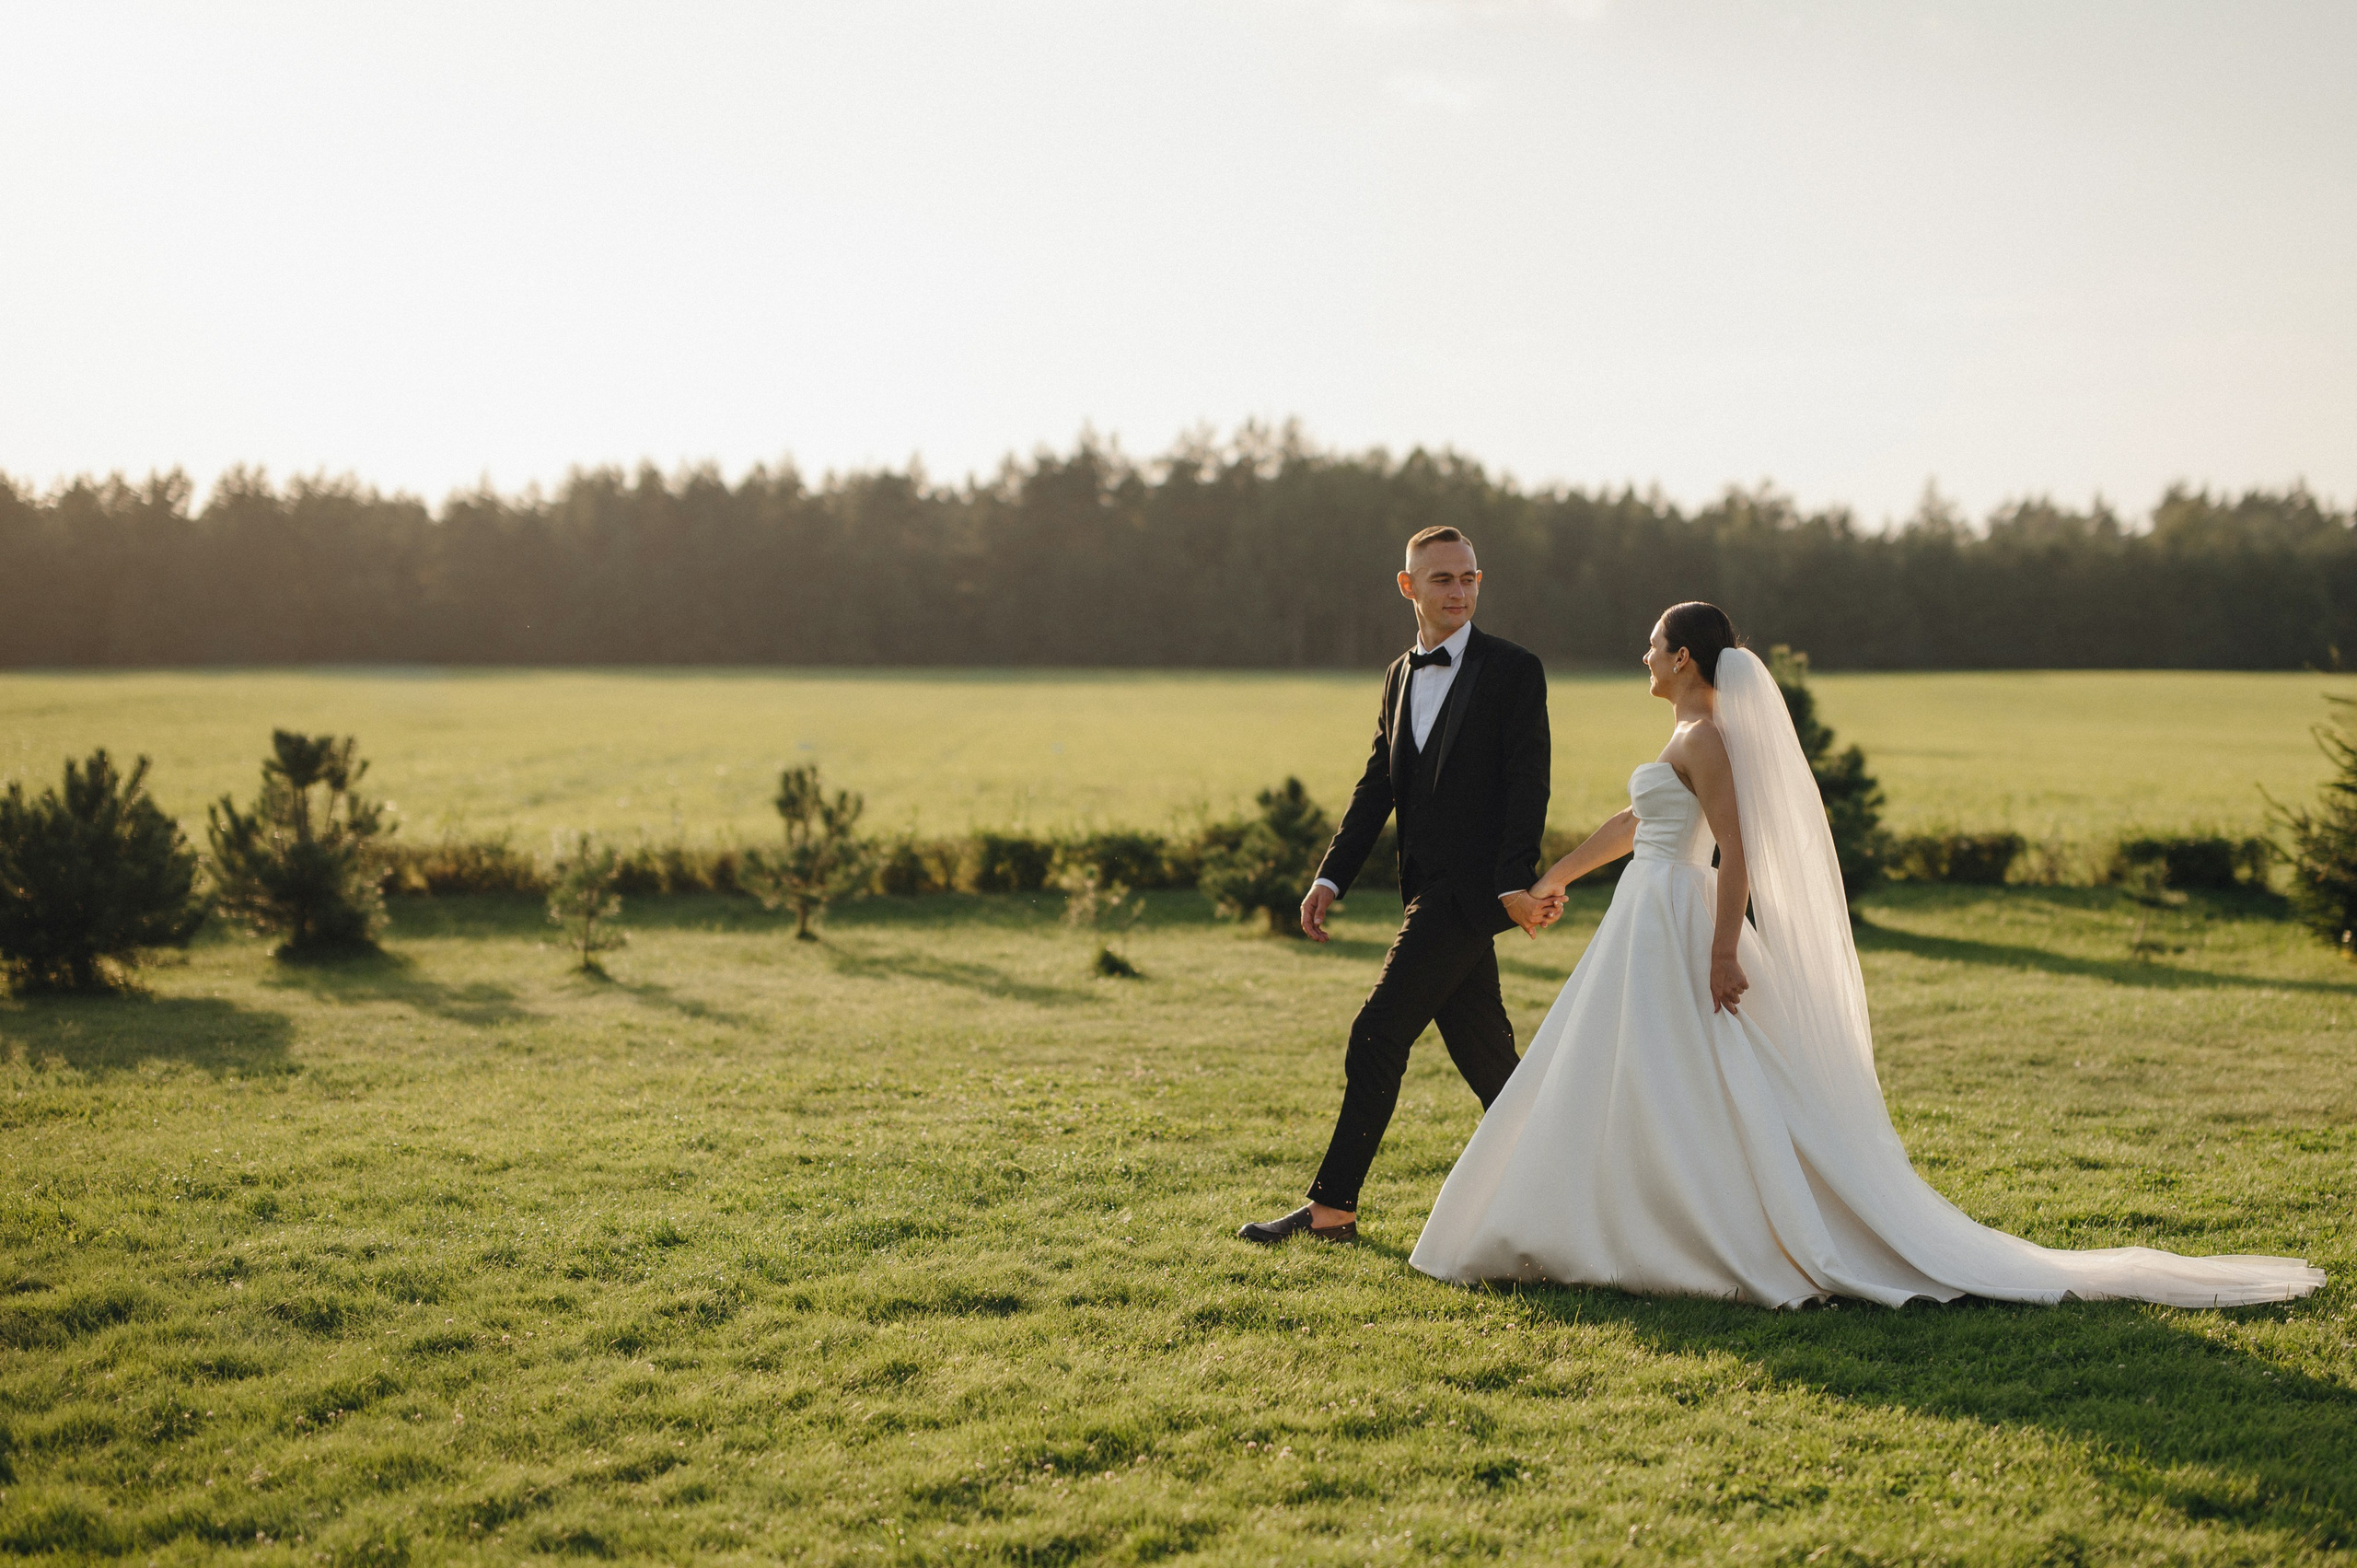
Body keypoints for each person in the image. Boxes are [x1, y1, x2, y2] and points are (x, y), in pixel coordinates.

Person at [1408, 601, 2324, 1307]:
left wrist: (1725, 949)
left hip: (1675, 919)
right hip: (1640, 916)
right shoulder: (1681, 736)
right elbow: (1635, 819)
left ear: (1681, 656)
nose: (1644, 654)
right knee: (1629, 1072)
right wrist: (1552, 876)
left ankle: (1686, 1229)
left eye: (1654, 642)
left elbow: (1737, 848)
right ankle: (1615, 1217)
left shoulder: (1707, 735)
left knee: (1684, 1073)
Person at [1238, 526, 1560, 1247]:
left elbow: (1527, 782)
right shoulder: (1399, 673)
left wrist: (1514, 879)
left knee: (1377, 1034)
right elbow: (1379, 782)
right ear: (1408, 586)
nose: (1459, 591)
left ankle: (1331, 1212)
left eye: (1469, 577)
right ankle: (1576, 1190)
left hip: (1468, 897)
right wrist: (1331, 874)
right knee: (1490, 1061)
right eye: (1442, 579)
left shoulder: (1515, 669)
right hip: (1426, 890)